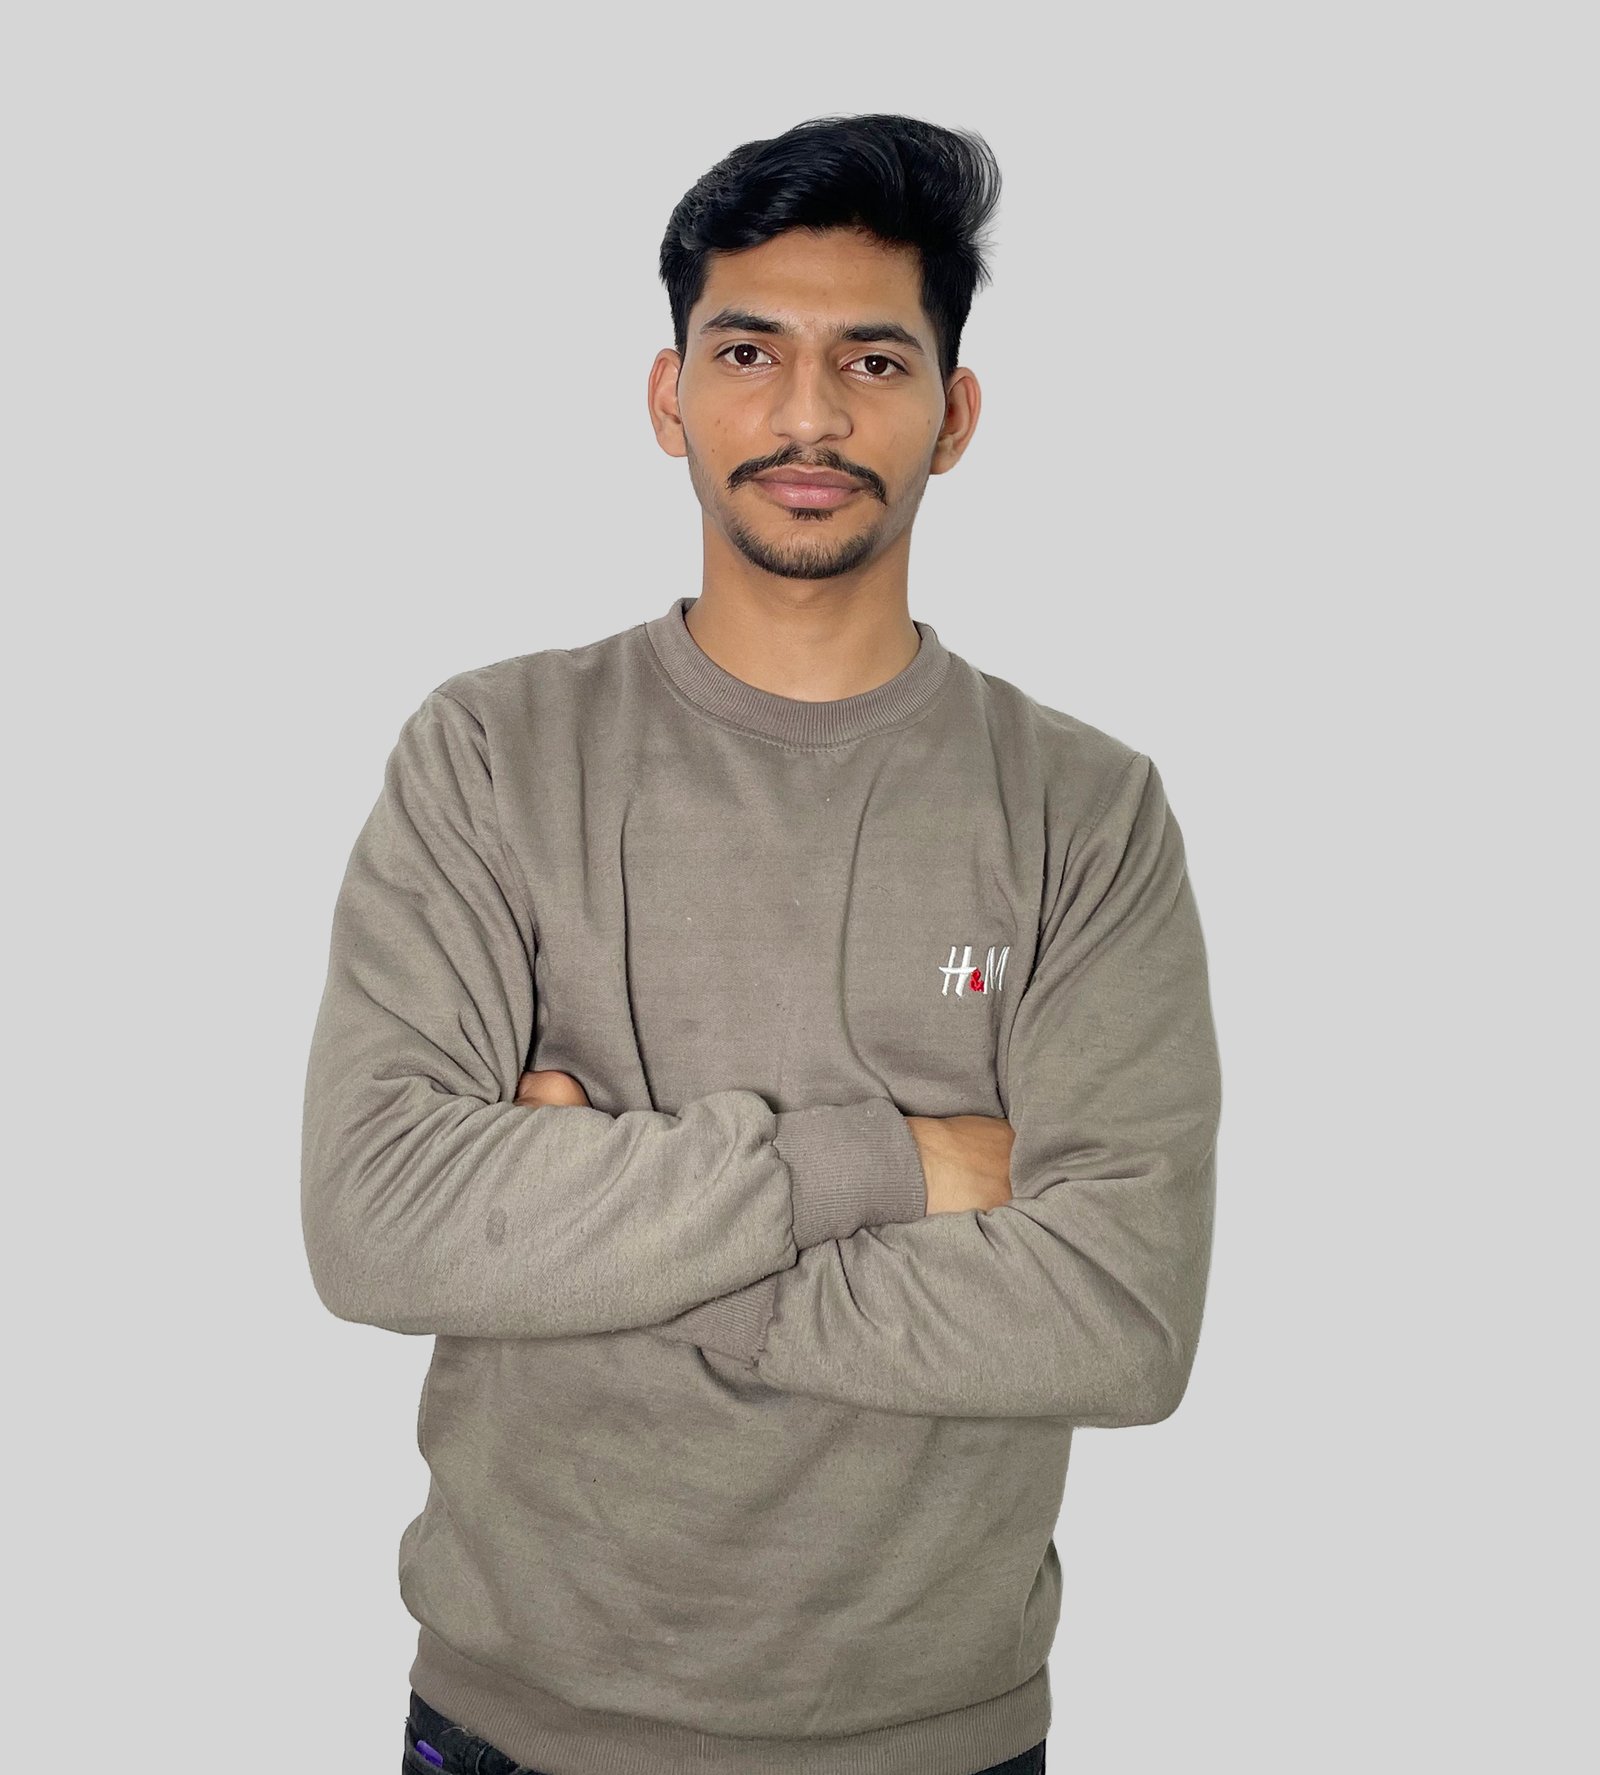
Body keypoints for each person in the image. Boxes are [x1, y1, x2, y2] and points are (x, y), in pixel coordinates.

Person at [301, 110, 1222, 1775]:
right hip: (514, 1730)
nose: (810, 414)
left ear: (954, 414)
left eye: (873, 359)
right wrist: (895, 1164)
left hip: (936, 1742)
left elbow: (1120, 1312)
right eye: (749, 352)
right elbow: (377, 1220)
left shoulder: (1084, 811)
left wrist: (594, 1250)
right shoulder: (495, 754)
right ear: (671, 398)